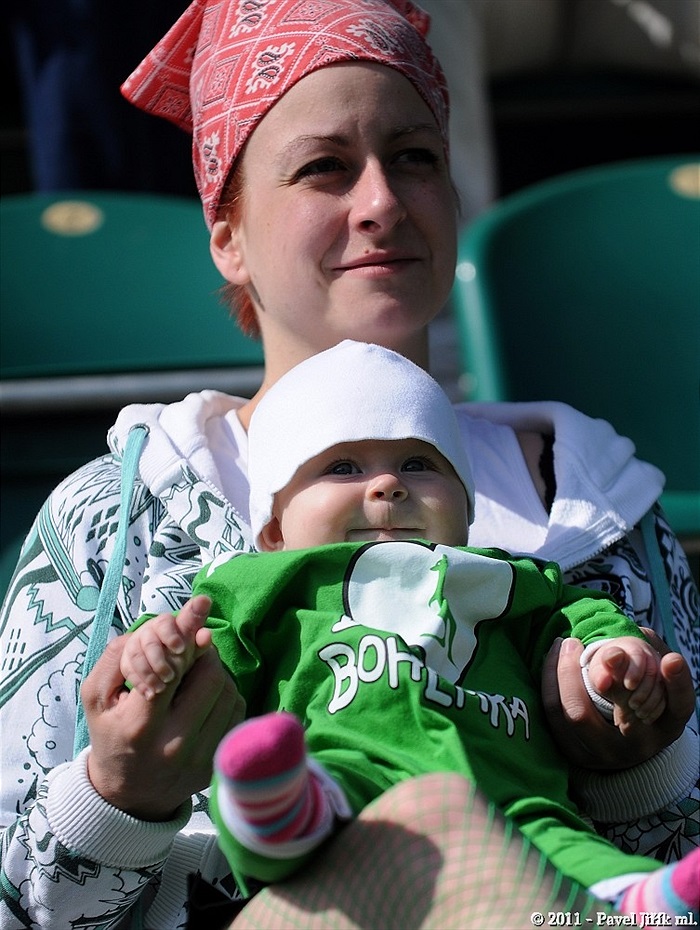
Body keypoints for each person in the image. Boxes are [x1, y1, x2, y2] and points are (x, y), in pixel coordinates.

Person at [0, 1, 697, 928]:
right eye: (324, 168)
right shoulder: (117, 514)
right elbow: (24, 903)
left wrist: (632, 766)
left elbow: (679, 867)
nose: (382, 201)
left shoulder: (597, 498)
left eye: (416, 157)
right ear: (228, 235)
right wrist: (120, 796)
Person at [119, 340, 699, 921]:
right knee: (281, 783)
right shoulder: (263, 581)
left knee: (560, 840)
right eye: (342, 467)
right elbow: (205, 644)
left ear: (467, 514)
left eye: (419, 464)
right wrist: (159, 651)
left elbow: (579, 619)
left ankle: (634, 896)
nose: (387, 485)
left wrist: (611, 660)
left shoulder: (503, 579)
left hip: (509, 796)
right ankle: (286, 816)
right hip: (342, 788)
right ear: (273, 529)